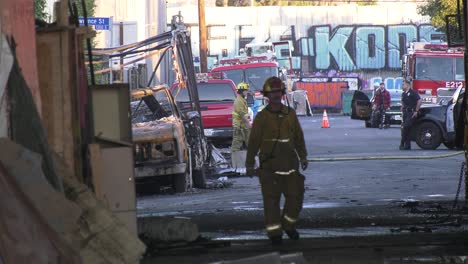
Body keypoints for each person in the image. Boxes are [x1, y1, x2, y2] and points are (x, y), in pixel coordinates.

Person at [245, 76, 308, 245]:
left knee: (295, 197)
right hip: (269, 167)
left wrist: (303, 156)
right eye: (272, 93)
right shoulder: (261, 118)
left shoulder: (290, 114)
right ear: (267, 95)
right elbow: (253, 143)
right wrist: (250, 164)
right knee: (271, 202)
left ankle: (288, 225)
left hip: (290, 164)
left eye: (277, 92)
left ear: (282, 93)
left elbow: (299, 138)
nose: (275, 95)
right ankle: (275, 233)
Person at [400, 79, 422, 150]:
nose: (402, 86)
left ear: (407, 85)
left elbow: (419, 100)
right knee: (407, 129)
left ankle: (402, 143)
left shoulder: (413, 92)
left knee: (406, 127)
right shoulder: (403, 94)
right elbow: (403, 102)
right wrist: (402, 108)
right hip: (405, 113)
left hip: (411, 113)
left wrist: (416, 111)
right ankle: (407, 145)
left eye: (403, 84)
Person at [231, 82, 251, 153]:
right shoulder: (239, 101)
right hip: (239, 125)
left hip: (243, 124)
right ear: (242, 91)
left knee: (249, 139)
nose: (247, 92)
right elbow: (242, 114)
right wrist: (248, 123)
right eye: (246, 90)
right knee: (237, 142)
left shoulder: (242, 100)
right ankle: (235, 158)